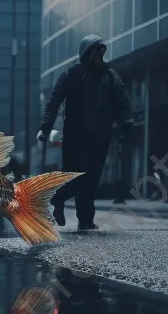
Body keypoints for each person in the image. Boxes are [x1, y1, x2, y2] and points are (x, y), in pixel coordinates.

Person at [37, 34, 131, 231]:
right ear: (87, 52)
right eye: (96, 51)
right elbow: (54, 102)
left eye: (101, 52)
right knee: (75, 177)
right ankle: (59, 199)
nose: (100, 56)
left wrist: (126, 124)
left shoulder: (109, 76)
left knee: (91, 180)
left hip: (99, 137)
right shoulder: (71, 75)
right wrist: (45, 128)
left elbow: (122, 101)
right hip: (75, 137)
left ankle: (85, 220)